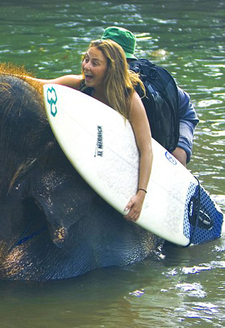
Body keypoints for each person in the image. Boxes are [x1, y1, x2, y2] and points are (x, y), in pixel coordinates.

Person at [33, 39, 152, 222]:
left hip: (118, 160)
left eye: (95, 63)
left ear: (110, 69)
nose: (86, 66)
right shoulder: (79, 85)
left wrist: (141, 195)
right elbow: (38, 84)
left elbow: (146, 150)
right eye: (86, 59)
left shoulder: (129, 99)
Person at [100, 26, 199, 166]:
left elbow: (185, 105)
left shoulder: (144, 81)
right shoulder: (98, 75)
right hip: (151, 118)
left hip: (183, 113)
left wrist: (181, 147)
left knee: (176, 158)